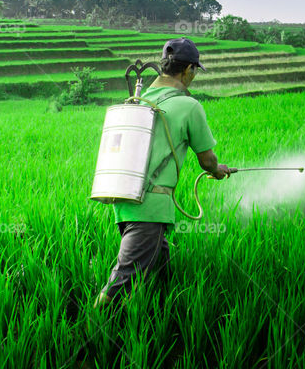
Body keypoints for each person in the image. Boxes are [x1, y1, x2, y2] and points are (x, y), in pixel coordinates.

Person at [93, 37, 233, 308]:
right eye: (195, 71)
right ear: (189, 69)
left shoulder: (140, 100)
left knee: (160, 268)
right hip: (150, 207)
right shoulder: (189, 106)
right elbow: (207, 160)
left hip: (125, 198)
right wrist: (218, 170)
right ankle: (91, 325)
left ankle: (161, 312)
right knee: (122, 282)